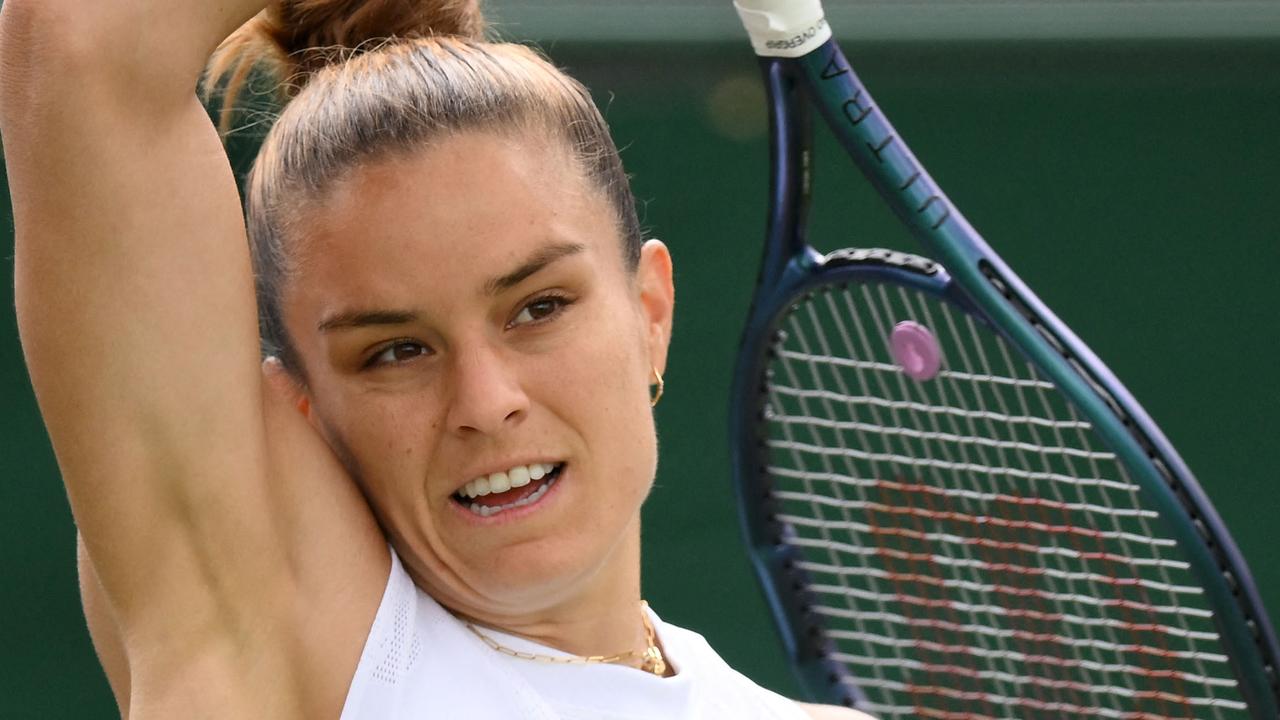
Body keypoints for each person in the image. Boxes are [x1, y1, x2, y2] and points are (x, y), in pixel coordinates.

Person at [0, 0, 873, 717]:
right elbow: (81, 40)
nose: (485, 400)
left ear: (650, 311)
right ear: (301, 407)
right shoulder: (282, 635)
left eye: (538, 307)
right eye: (395, 351)